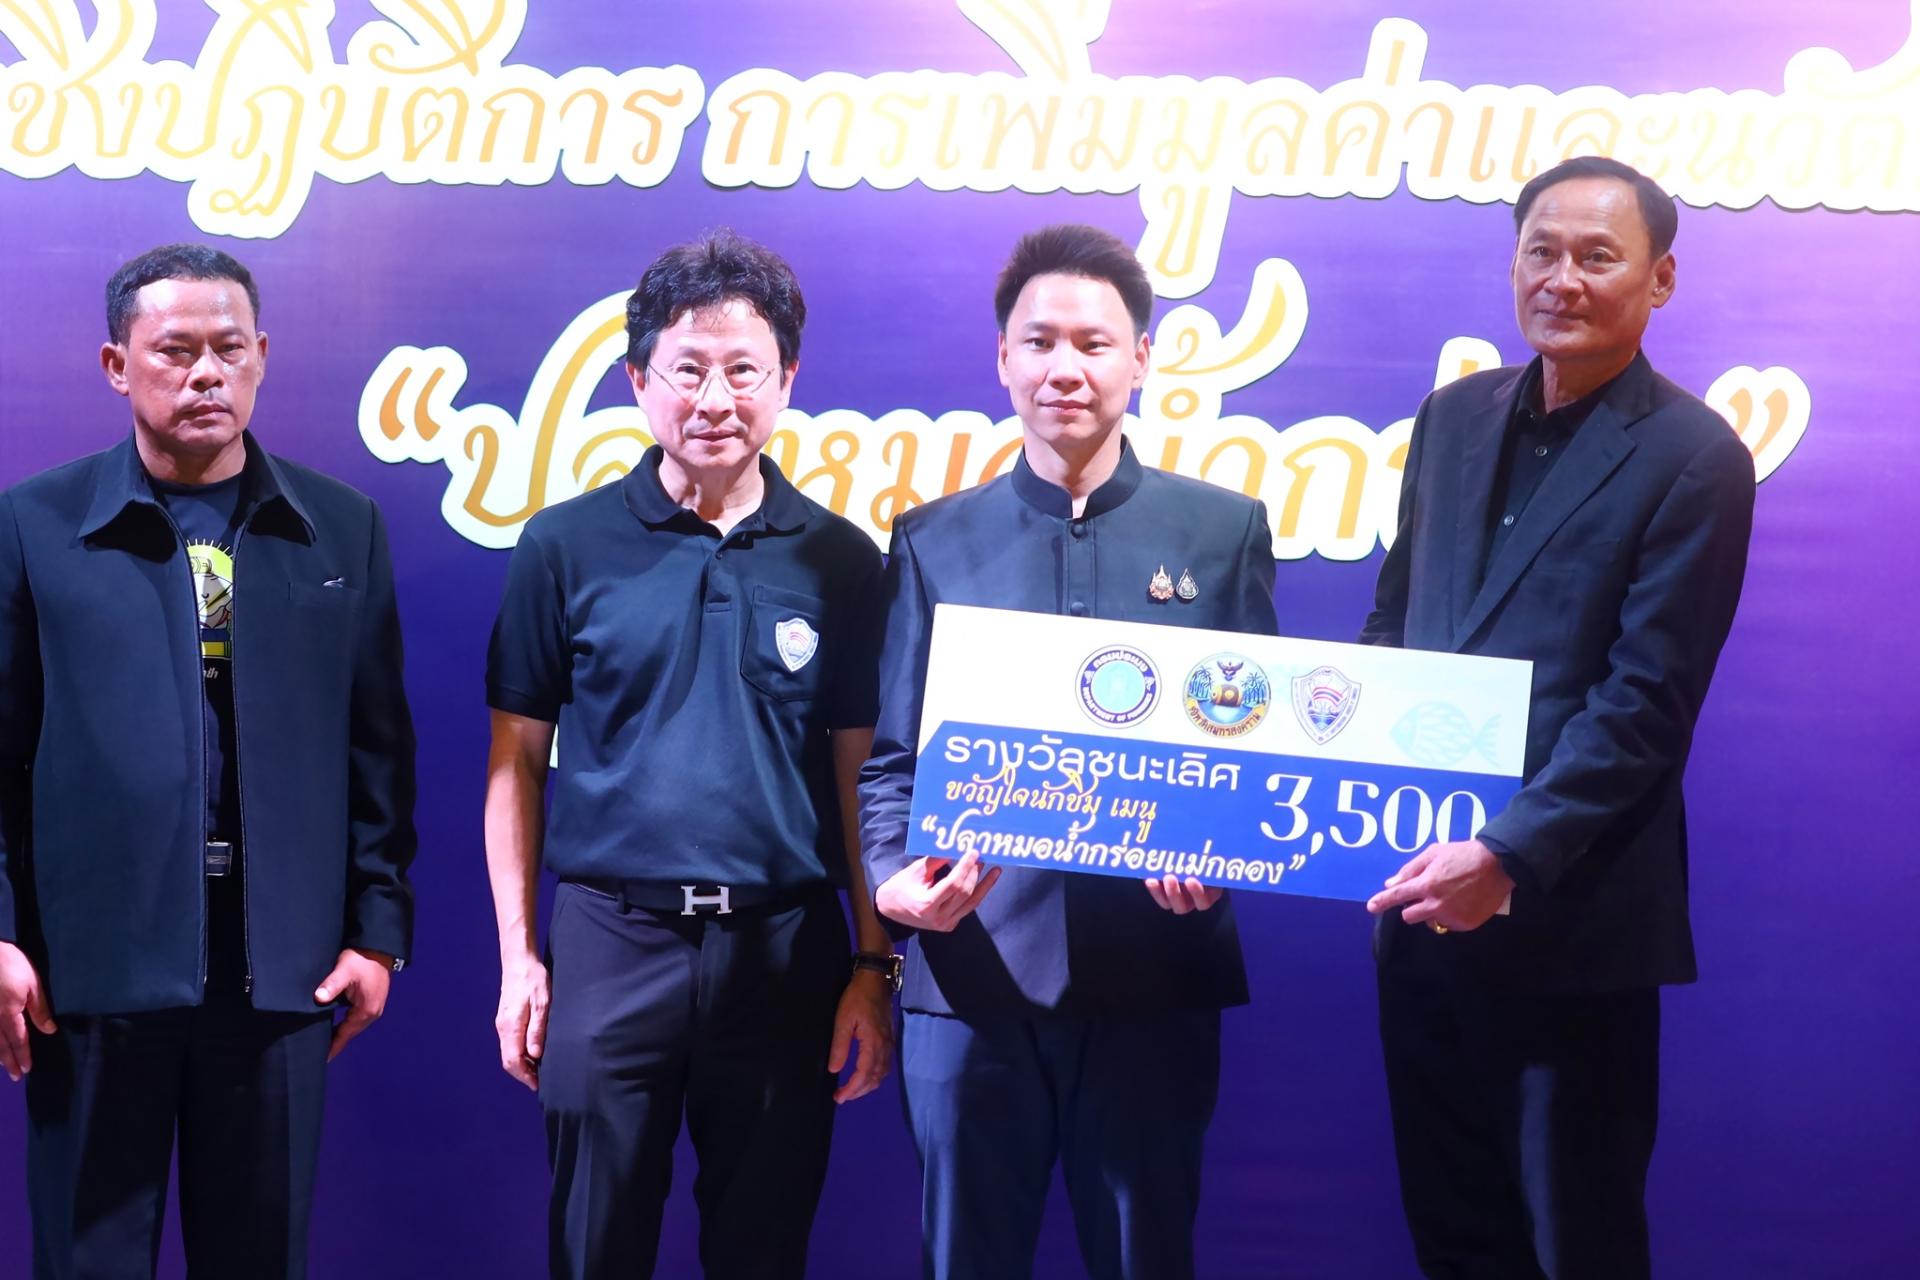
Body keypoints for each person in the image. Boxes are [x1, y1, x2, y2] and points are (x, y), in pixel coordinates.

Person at [858, 223, 1280, 1280]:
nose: (1065, 368)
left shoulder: (1221, 531)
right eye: (1039, 342)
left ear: (1142, 359)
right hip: (968, 976)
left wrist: (1221, 850)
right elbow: (895, 760)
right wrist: (892, 879)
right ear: (1003, 357)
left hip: (1155, 973)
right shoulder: (932, 538)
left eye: (1095, 344)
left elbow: (1259, 752)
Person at [1361, 155, 1757, 1279]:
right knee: (1454, 1233)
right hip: (1420, 903)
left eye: (1597, 256)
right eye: (1542, 251)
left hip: (1569, 925)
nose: (1563, 279)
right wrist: (1362, 799)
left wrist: (1506, 853)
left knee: (1573, 1242)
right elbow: (1394, 621)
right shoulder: (1451, 417)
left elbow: (1644, 705)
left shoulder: (1696, 456)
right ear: (1513, 265)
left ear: (1659, 278)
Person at [484, 229, 896, 1280]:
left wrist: (871, 963)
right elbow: (514, 762)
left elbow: (861, 772)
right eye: (687, 370)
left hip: (785, 950)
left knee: (764, 1249)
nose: (715, 398)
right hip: (610, 941)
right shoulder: (563, 546)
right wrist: (521, 958)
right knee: (594, 1244)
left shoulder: (843, 561)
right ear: (638, 381)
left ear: (787, 380)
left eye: (744, 371)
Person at [0, 243, 417, 1278]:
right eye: (175, 351)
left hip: (278, 971)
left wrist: (377, 932)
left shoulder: (341, 529)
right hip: (92, 972)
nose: (205, 374)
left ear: (262, 355)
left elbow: (379, 751)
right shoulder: (34, 526)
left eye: (229, 350)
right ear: (117, 364)